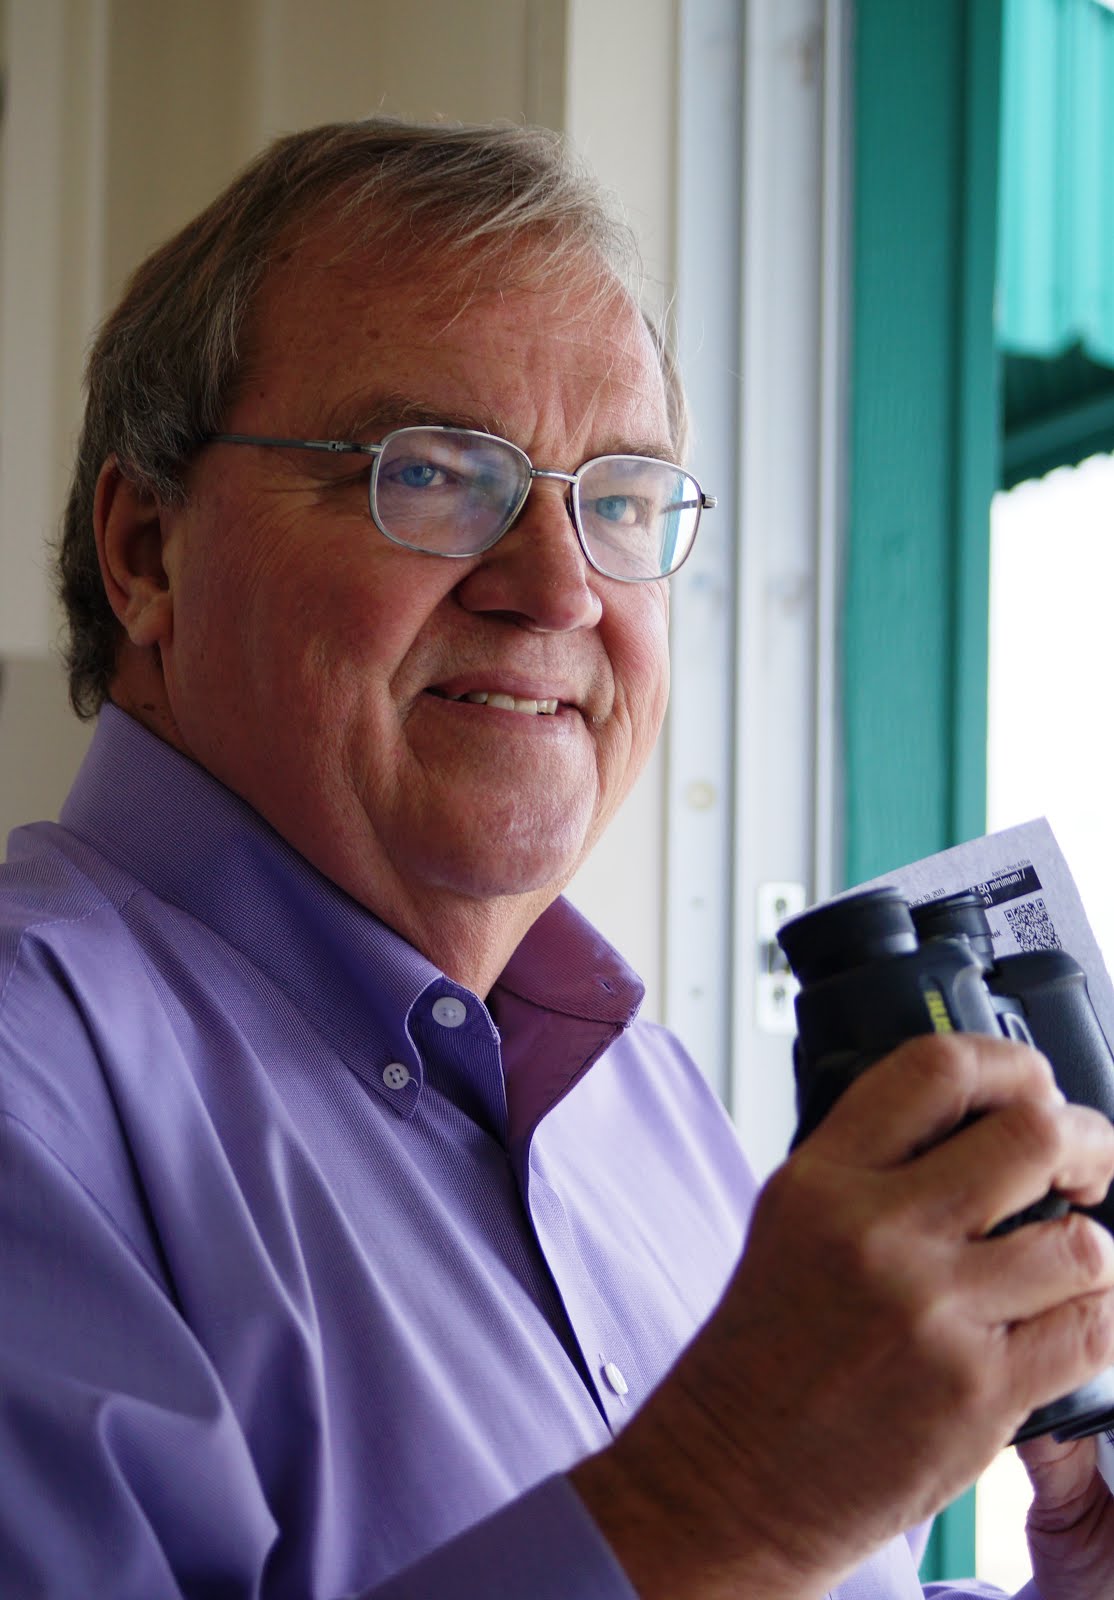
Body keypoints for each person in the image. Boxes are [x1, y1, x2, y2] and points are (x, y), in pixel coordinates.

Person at [1, 118, 1113, 1600]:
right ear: (148, 550)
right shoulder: (32, 1087)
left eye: (620, 502)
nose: (559, 590)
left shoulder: (644, 1099)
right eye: (431, 474)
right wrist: (728, 1492)